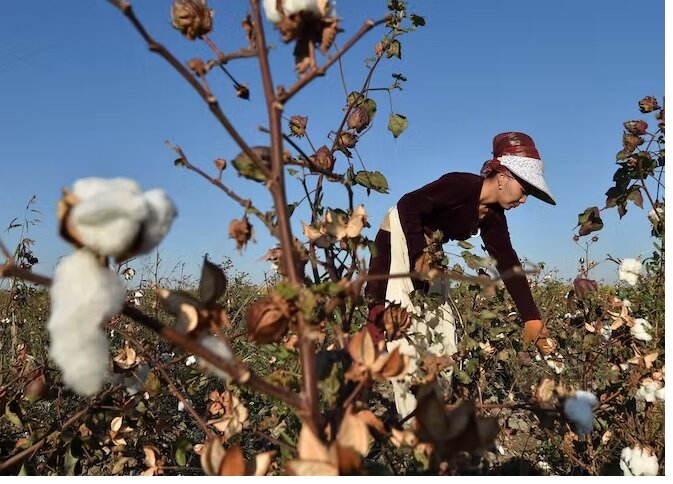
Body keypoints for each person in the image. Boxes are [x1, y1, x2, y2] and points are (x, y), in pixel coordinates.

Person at [365, 132, 556, 360]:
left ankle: (436, 385)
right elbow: (408, 205)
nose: (524, 200)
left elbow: (507, 261)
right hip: (402, 231)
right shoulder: (460, 185)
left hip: (429, 247)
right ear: (503, 177)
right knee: (402, 319)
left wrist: (531, 317)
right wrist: (418, 254)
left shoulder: (493, 217)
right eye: (524, 191)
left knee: (441, 326)